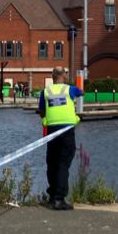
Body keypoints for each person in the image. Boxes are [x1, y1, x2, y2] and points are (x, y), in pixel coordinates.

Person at [36, 67, 83, 210]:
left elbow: (41, 111)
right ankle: (59, 199)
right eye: (67, 73)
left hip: (51, 131)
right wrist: (81, 79)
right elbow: (82, 92)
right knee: (63, 164)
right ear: (63, 75)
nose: (68, 75)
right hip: (66, 131)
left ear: (52, 77)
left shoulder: (45, 92)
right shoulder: (70, 89)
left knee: (52, 163)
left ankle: (51, 196)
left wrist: (47, 119)